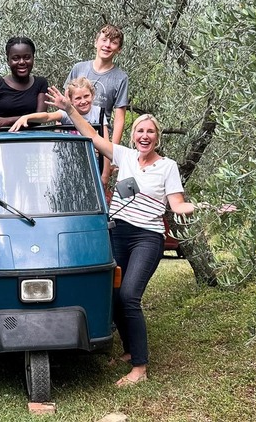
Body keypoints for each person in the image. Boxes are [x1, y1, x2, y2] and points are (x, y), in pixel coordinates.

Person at [46, 85, 198, 388]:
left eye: (150, 132)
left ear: (157, 138)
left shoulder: (167, 167)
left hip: (147, 237)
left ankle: (140, 366)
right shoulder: (125, 156)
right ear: (133, 135)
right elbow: (90, 135)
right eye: (140, 130)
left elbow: (177, 203)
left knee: (129, 296)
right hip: (117, 232)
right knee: (113, 295)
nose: (144, 135)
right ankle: (129, 352)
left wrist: (203, 206)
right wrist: (69, 108)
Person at [65, 24, 129, 187]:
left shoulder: (121, 78)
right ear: (96, 43)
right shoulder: (79, 68)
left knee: (95, 185)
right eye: (104, 40)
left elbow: (119, 118)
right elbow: (64, 104)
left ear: (119, 49)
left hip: (100, 138)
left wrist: (111, 152)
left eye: (113, 42)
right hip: (73, 136)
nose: (107, 45)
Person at [0, 37, 48, 134]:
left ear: (33, 58)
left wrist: (7, 121)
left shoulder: (41, 83)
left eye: (27, 57)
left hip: (29, 142)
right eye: (16, 58)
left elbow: (40, 117)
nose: (22, 62)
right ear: (8, 61)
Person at [10, 76, 108, 135]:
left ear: (93, 95)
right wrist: (26, 117)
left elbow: (105, 140)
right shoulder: (67, 113)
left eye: (86, 96)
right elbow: (47, 117)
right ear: (71, 100)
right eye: (78, 98)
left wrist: (106, 169)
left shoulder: (98, 113)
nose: (83, 101)